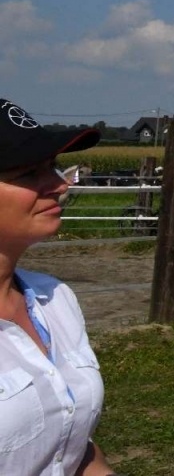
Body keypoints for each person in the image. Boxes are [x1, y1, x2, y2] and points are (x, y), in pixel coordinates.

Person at [0, 97, 116, 476]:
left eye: (52, 166)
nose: (60, 185)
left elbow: (72, 449)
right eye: (30, 174)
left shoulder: (55, 300)